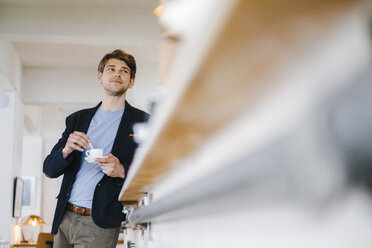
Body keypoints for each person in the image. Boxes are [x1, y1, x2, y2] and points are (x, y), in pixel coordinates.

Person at [43, 49, 149, 248]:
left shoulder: (143, 122)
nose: (117, 74)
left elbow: (152, 173)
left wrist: (122, 171)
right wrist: (65, 150)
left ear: (131, 81)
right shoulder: (77, 120)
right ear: (100, 77)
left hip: (99, 224)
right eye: (111, 69)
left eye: (124, 71)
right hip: (63, 218)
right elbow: (49, 169)